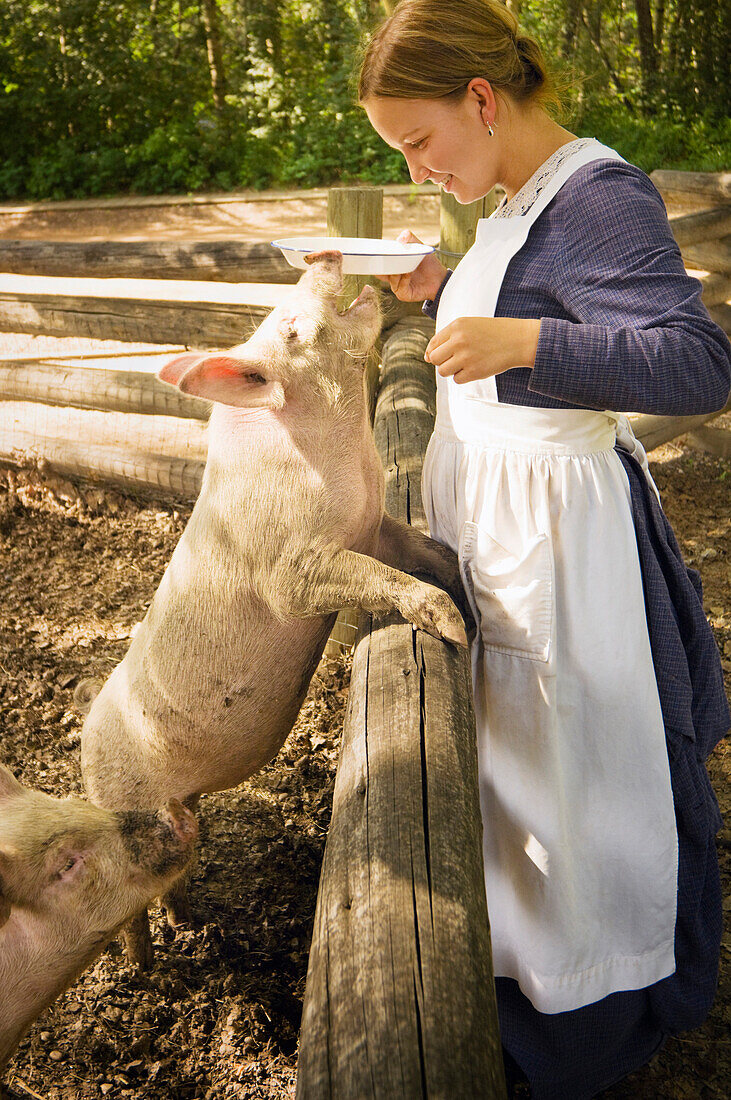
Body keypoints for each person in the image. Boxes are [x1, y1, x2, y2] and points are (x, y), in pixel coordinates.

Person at [358, 2, 731, 1098]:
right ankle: (532, 993)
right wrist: (443, 293)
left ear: (480, 100)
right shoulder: (517, 197)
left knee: (578, 790)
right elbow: (541, 295)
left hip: (563, 561)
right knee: (524, 782)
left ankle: (591, 1025)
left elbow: (694, 367)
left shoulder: (599, 195)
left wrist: (523, 340)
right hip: (511, 538)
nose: (419, 168)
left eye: (419, 141)